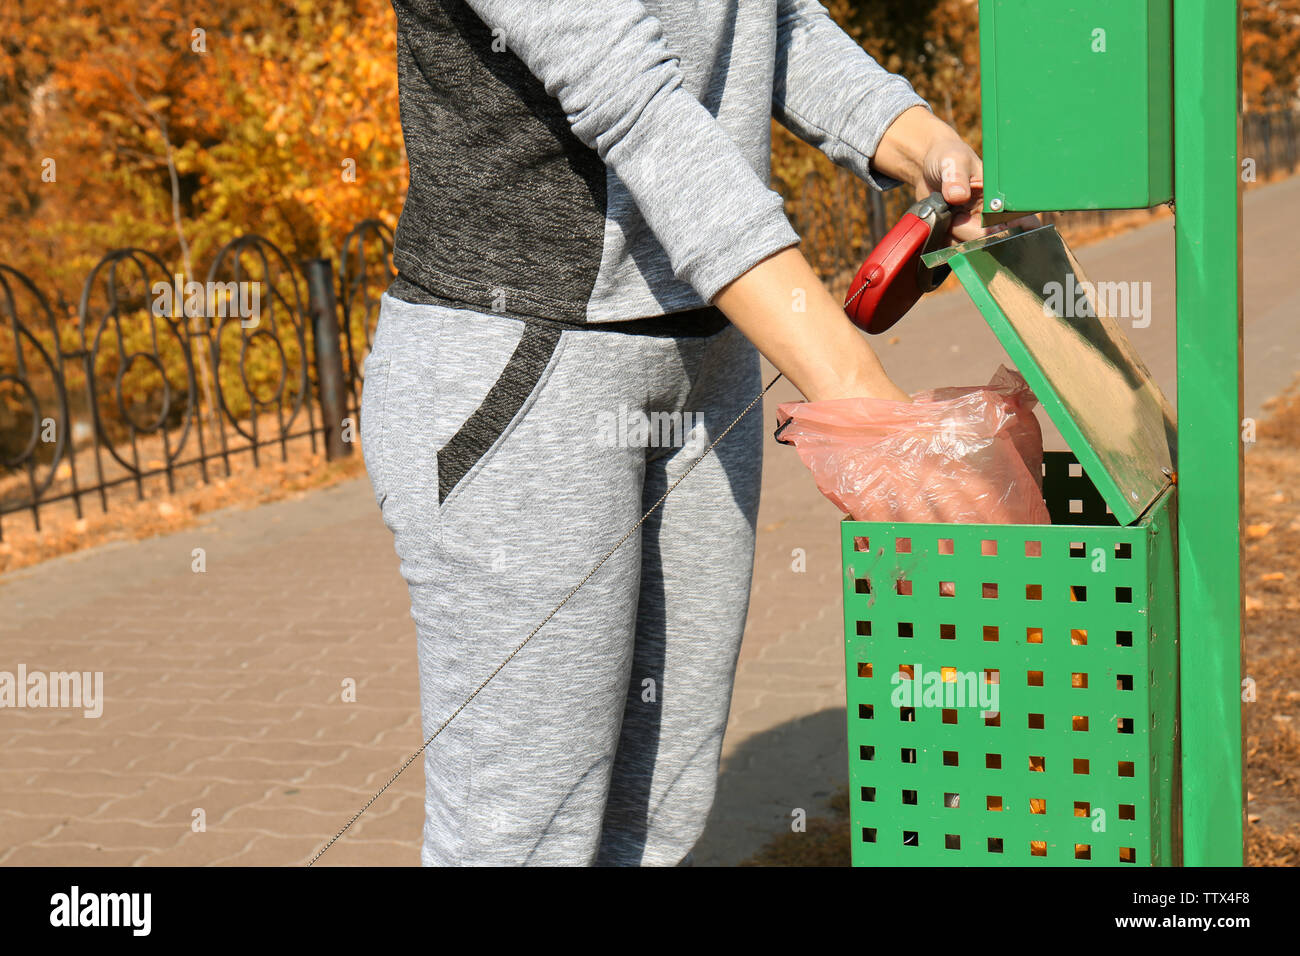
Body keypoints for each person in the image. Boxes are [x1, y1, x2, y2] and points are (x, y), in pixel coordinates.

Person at [362, 0, 1000, 866]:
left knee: (657, 820)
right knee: (524, 837)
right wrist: (858, 395)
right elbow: (633, 97)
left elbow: (771, 25)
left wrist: (911, 135)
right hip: (525, 373)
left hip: (706, 354)